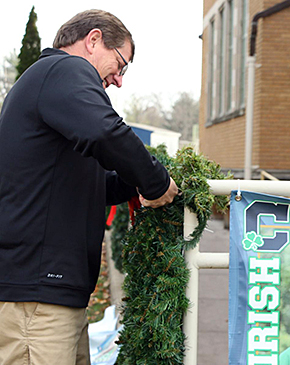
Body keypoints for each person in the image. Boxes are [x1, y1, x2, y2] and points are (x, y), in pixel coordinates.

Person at [0, 9, 178, 365]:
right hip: (37, 299)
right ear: (94, 39)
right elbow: (106, 132)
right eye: (121, 63)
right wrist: (157, 183)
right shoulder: (63, 70)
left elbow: (90, 185)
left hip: (50, 296)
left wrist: (131, 185)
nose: (119, 79)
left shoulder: (49, 85)